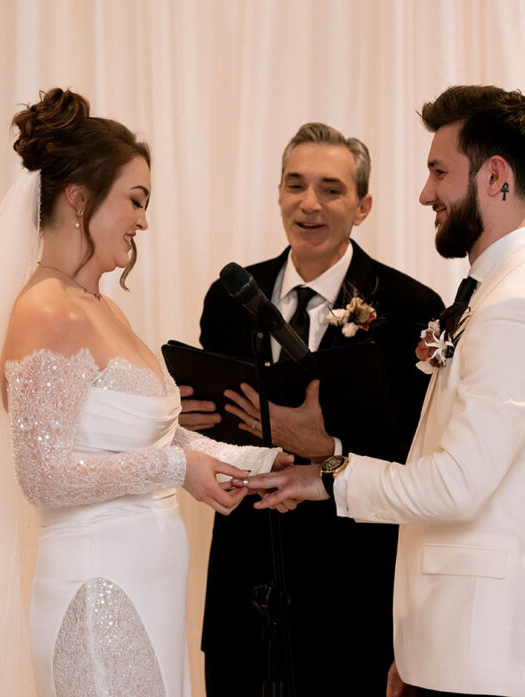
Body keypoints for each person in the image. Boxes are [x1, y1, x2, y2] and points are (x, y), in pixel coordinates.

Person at [242, 86, 525, 697]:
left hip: (488, 657)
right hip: (456, 647)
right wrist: (420, 646)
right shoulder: (495, 293)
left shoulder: (522, 306)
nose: (426, 192)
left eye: (439, 172)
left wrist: (327, 476)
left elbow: (455, 485)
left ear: (496, 177)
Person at [0, 88, 291, 697]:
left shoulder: (101, 307)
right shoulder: (50, 311)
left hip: (146, 587)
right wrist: (177, 467)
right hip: (97, 590)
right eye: (135, 200)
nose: (143, 220)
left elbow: (162, 433)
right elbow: (43, 474)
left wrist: (263, 465)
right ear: (79, 198)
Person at [180, 122, 444, 697]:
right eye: (295, 184)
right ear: (278, 192)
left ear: (363, 205)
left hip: (353, 596)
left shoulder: (411, 308)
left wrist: (328, 451)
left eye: (331, 189)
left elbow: (418, 460)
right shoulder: (229, 296)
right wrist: (190, 429)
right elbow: (213, 425)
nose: (309, 203)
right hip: (242, 590)